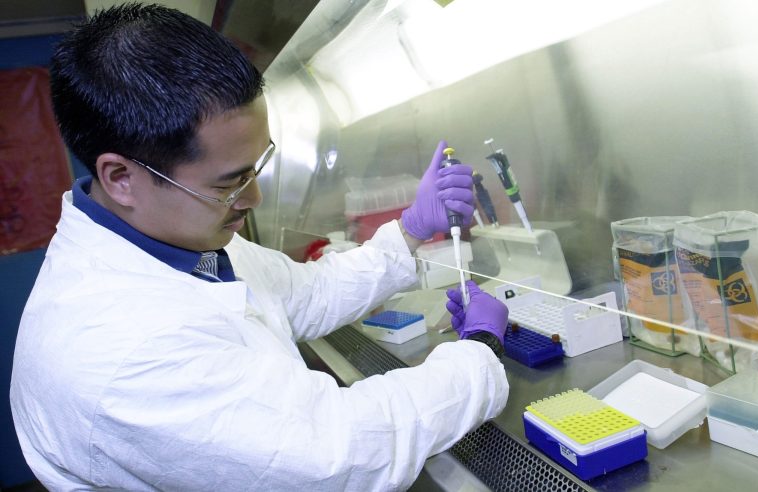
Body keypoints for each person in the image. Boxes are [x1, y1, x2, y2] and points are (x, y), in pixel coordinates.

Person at [10, 3, 510, 491]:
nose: (254, 197)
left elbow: (301, 292)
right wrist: (479, 353)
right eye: (230, 181)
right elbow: (342, 455)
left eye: (259, 164)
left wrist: (409, 231)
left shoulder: (176, 237)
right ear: (121, 178)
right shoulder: (121, 350)